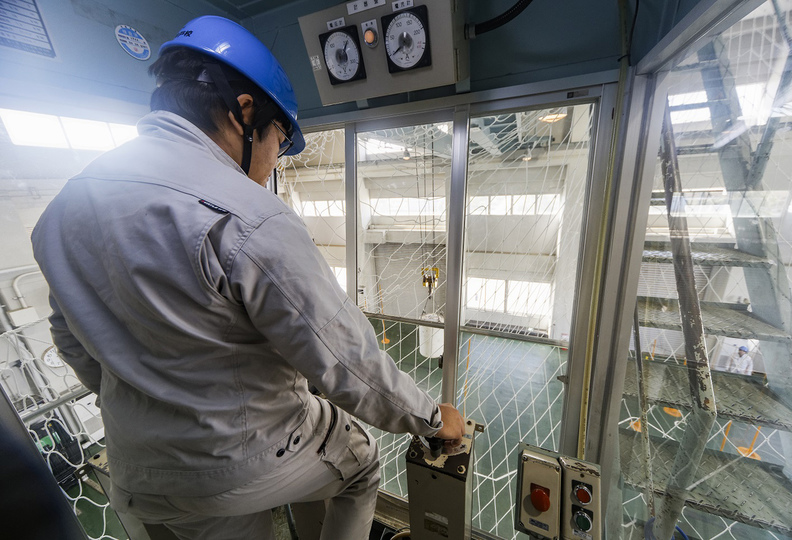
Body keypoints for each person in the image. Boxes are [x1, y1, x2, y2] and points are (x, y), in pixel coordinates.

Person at [31, 15, 464, 540]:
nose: (271, 163)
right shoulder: (249, 214)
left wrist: (144, 404)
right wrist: (431, 419)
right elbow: (343, 358)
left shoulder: (64, 209)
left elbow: (70, 340)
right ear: (244, 111)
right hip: (240, 461)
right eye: (279, 141)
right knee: (361, 463)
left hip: (140, 470)